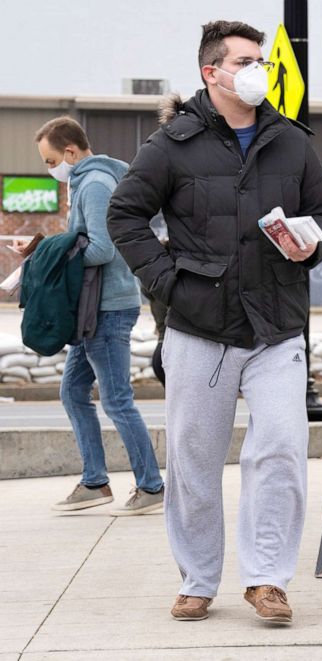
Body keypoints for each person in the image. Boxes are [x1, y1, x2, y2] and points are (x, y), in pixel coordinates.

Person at [106, 20, 322, 625]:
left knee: (283, 451)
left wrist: (310, 245)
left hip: (277, 327)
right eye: (244, 60)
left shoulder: (291, 140)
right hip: (199, 325)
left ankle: (266, 579)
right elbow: (126, 216)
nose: (257, 69)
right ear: (212, 72)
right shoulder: (171, 144)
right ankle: (198, 577)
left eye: (260, 59)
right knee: (193, 459)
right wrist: (166, 282)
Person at [32, 117, 164, 516]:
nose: (50, 168)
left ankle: (151, 486)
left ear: (71, 152)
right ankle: (94, 481)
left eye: (51, 159)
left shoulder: (92, 185)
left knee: (118, 400)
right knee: (73, 392)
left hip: (106, 309)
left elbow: (103, 249)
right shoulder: (91, 180)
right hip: (95, 309)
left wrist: (48, 257)